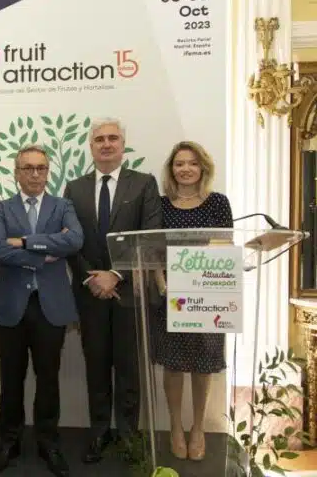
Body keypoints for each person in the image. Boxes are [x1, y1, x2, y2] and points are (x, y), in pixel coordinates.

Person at [63, 117, 162, 462]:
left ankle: (129, 437)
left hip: (129, 294)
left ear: (123, 145)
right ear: (90, 146)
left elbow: (149, 238)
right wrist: (92, 278)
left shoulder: (144, 184)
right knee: (96, 367)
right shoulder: (74, 188)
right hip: (90, 294)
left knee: (128, 370)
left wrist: (116, 275)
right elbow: (69, 241)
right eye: (100, 139)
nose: (106, 144)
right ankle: (99, 432)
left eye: (113, 138)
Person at [0, 145, 84, 477]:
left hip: (50, 306)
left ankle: (48, 443)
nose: (35, 174)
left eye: (41, 168)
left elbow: (75, 241)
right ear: (16, 173)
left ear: (48, 172)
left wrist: (24, 242)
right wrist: (44, 253)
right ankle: (8, 443)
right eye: (27, 168)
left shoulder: (63, 206)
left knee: (48, 379)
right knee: (11, 380)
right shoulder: (2, 208)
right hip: (10, 307)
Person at [152, 141, 233, 461]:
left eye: (192, 163)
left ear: (203, 168)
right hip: (170, 294)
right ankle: (175, 427)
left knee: (203, 364)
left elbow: (224, 247)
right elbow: (152, 250)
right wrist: (162, 286)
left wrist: (207, 286)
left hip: (207, 295)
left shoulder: (218, 203)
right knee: (173, 365)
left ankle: (198, 428)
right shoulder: (161, 205)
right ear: (171, 169)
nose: (185, 168)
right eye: (179, 163)